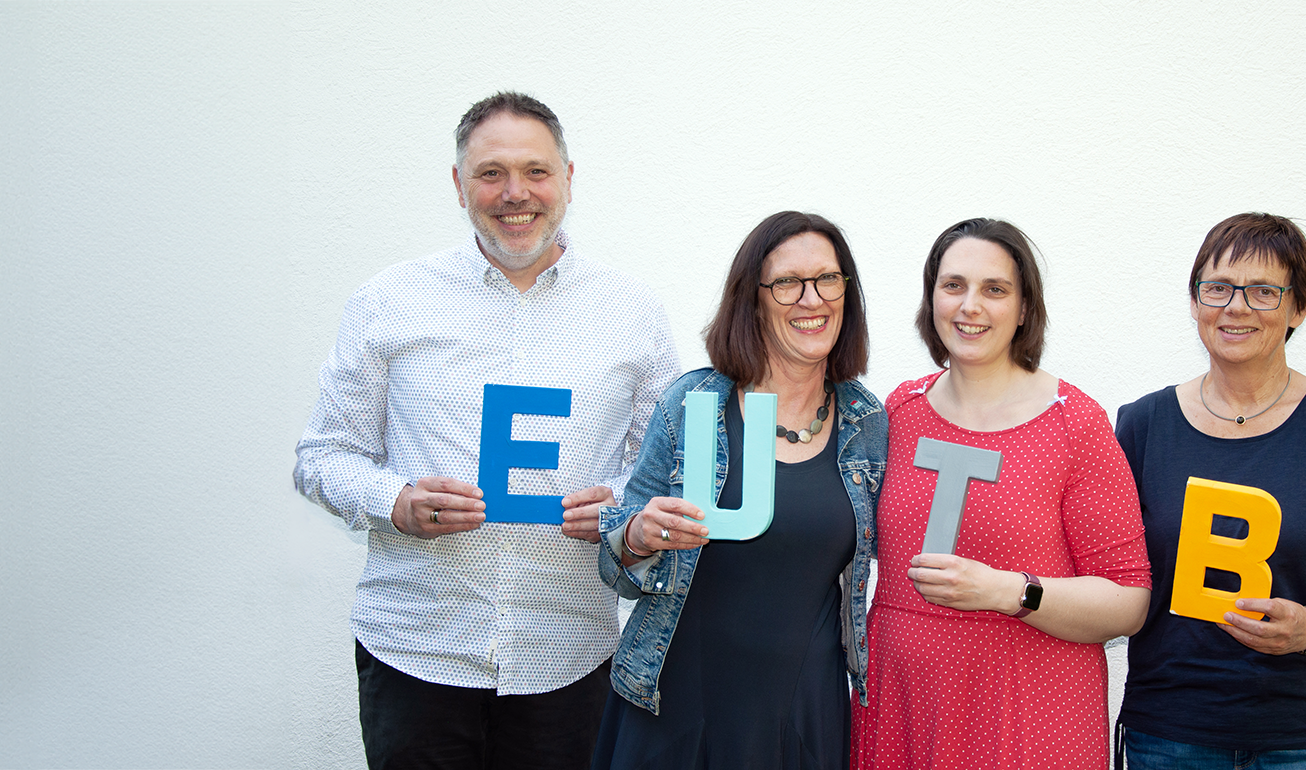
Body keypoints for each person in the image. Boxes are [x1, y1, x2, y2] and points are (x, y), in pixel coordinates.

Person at [293, 91, 680, 770]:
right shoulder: (390, 300)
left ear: (567, 178)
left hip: (568, 654)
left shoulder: (632, 312)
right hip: (415, 649)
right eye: (491, 173)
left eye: (535, 171)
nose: (514, 193)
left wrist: (622, 503)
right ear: (458, 184)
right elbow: (323, 456)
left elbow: (663, 468)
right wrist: (395, 502)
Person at [1115, 213, 1306, 769]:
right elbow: (1111, 573)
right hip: (1170, 731)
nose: (1236, 306)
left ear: (1298, 307)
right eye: (1218, 287)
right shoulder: (1141, 425)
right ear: (1195, 301)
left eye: (1264, 291)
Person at [851, 218, 1152, 770]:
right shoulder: (898, 411)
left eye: (995, 290)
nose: (971, 306)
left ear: (1023, 308)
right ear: (931, 297)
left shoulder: (1073, 424)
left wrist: (1011, 592)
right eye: (954, 285)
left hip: (1030, 712)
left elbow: (1128, 600)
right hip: (905, 704)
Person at [591, 211, 886, 769]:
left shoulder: (866, 421)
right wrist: (639, 534)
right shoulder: (694, 402)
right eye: (786, 284)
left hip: (803, 709)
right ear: (752, 299)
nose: (811, 299)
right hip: (676, 701)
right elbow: (616, 563)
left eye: (828, 279)